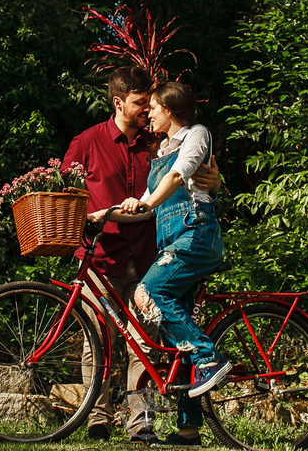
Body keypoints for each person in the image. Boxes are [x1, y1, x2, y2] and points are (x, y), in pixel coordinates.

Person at [62, 67, 220, 443]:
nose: (147, 109)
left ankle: (140, 423)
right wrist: (76, 233)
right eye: (139, 102)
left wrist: (217, 181)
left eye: (151, 103)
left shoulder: (160, 142)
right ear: (118, 102)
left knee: (145, 343)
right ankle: (96, 419)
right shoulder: (87, 142)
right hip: (101, 256)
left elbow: (194, 173)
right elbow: (65, 192)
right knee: (96, 342)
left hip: (152, 252)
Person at [120, 81, 230, 446]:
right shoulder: (162, 150)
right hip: (174, 243)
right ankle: (188, 429)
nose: (148, 112)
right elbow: (144, 202)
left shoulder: (196, 136)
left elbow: (177, 176)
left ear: (169, 107)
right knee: (176, 329)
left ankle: (210, 360)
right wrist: (102, 215)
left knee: (146, 293)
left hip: (195, 236)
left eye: (152, 106)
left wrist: (147, 205)